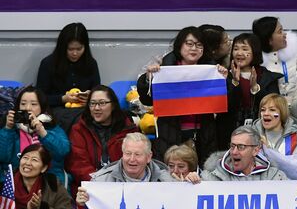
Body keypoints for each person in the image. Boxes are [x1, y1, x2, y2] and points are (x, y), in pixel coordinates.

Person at [137, 26, 225, 162]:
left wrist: (224, 80)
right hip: (170, 132)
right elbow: (147, 100)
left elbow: (226, 102)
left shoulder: (212, 70)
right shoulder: (165, 69)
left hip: (203, 133)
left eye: (199, 45)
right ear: (179, 46)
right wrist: (149, 78)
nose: (194, 48)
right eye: (189, 44)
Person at [66, 85, 138, 196]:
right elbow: (78, 164)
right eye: (92, 103)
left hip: (124, 188)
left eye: (102, 103)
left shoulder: (129, 129)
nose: (96, 108)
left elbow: (137, 160)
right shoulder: (79, 130)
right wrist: (100, 183)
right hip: (89, 190)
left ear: (113, 105)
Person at [217, 33, 282, 148]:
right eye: (236, 49)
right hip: (229, 139)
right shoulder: (224, 76)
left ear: (255, 52)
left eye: (245, 49)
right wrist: (235, 83)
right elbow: (225, 108)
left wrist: (255, 88)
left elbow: (275, 107)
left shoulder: (267, 77)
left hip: (261, 137)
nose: (239, 53)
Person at [0, 86, 70, 184]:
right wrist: (8, 129)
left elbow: (61, 153)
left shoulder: (52, 128)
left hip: (48, 184)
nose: (28, 108)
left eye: (33, 104)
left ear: (42, 107)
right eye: (23, 103)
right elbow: (2, 157)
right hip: (15, 184)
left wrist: (42, 132)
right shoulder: (10, 128)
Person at [36, 22, 100, 108]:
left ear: (85, 47)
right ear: (62, 47)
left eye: (79, 49)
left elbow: (99, 93)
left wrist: (90, 100)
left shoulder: (91, 63)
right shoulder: (48, 63)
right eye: (70, 49)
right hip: (56, 112)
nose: (75, 53)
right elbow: (39, 98)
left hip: (84, 112)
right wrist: (62, 99)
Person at [252, 16, 297, 102]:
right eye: (280, 31)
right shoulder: (257, 60)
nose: (285, 34)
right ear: (269, 40)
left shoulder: (293, 49)